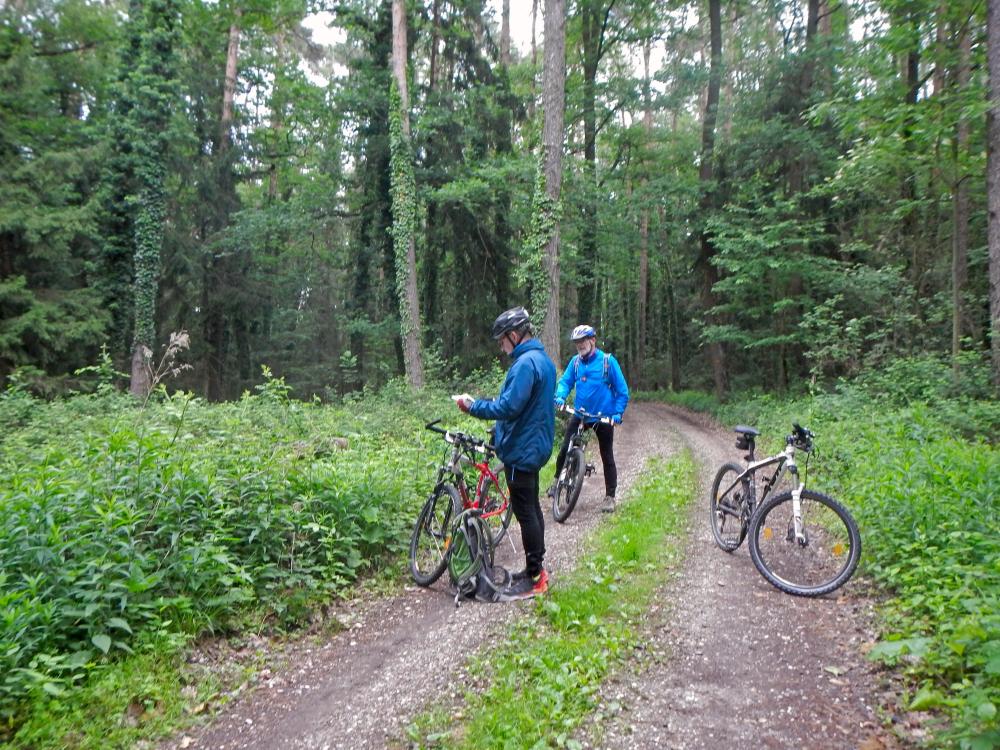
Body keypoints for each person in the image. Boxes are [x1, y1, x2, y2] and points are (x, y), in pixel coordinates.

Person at [453, 306, 556, 599]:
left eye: (502, 341)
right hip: (534, 445)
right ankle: (535, 569)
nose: (501, 347)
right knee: (532, 508)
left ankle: (536, 577)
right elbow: (525, 407)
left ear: (514, 335)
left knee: (526, 512)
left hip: (522, 450)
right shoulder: (543, 361)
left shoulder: (525, 365)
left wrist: (473, 406)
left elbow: (509, 406)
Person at [551, 324, 630, 513]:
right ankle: (556, 482)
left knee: (607, 455)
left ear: (592, 340)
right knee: (564, 449)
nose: (580, 345)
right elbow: (566, 382)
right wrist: (560, 396)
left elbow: (622, 391)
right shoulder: (575, 362)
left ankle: (610, 496)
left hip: (602, 418)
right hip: (580, 414)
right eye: (577, 342)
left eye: (583, 341)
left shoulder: (607, 362)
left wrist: (617, 414)